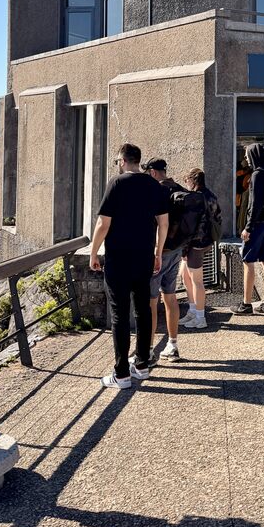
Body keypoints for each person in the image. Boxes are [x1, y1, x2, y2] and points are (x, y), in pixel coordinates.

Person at [89, 142, 169, 389]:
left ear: (122, 161)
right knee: (143, 310)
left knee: (120, 313)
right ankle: (142, 365)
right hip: (144, 257)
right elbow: (163, 223)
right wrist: (158, 252)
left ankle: (121, 373)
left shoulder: (117, 183)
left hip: (119, 258)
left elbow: (103, 224)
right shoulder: (153, 185)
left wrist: (94, 252)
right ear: (138, 160)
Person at [144, 157, 187, 363]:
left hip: (158, 253)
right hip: (176, 249)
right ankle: (173, 344)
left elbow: (157, 224)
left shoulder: (156, 191)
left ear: (152, 172)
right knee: (170, 297)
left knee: (151, 302)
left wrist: (156, 252)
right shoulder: (178, 188)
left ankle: (149, 349)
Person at [232, 143, 264, 315]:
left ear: (253, 155)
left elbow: (255, 203)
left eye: (246, 155)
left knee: (248, 262)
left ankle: (246, 304)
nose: (245, 159)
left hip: (258, 224)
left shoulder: (258, 174)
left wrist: (248, 227)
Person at [179, 168, 222, 329]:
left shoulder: (195, 198)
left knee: (197, 281)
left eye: (187, 180)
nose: (186, 184)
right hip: (207, 241)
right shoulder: (211, 195)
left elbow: (189, 227)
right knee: (185, 275)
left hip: (196, 244)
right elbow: (218, 216)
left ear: (192, 180)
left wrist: (184, 250)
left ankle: (200, 316)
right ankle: (192, 311)